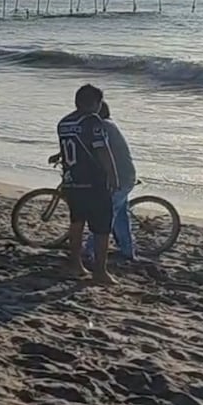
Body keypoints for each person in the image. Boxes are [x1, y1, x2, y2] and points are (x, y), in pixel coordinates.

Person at [56, 84, 119, 284]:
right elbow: (102, 151)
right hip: (93, 182)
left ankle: (75, 264)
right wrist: (113, 175)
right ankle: (100, 271)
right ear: (96, 103)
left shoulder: (64, 123)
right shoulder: (93, 122)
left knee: (76, 223)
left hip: (72, 180)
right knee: (102, 229)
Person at [83, 101, 137, 261]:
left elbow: (93, 149)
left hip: (118, 178)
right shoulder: (109, 125)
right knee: (120, 216)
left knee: (104, 215)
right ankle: (127, 251)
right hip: (126, 175)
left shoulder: (102, 127)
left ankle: (90, 250)